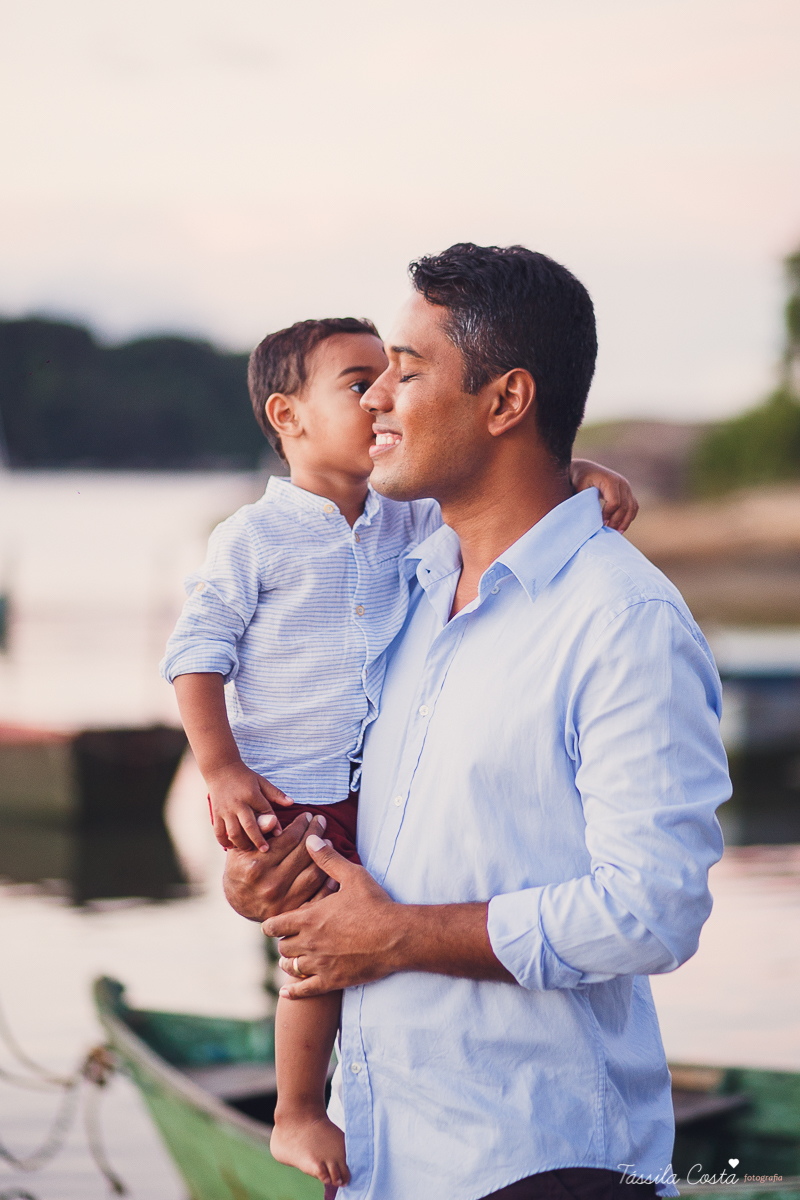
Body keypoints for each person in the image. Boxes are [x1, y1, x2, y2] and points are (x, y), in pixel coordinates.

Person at [222, 245, 732, 1200]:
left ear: (505, 403)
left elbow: (652, 909)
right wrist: (273, 875)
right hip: (386, 1154)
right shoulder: (403, 590)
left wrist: (402, 935)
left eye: (404, 374)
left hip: (543, 1163)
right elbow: (371, 834)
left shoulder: (622, 623)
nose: (375, 399)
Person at [160, 310, 640, 1191]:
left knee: (335, 943)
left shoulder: (404, 523)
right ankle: (297, 1110)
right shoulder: (251, 538)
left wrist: (576, 474)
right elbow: (194, 654)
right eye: (357, 384)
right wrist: (223, 771)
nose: (383, 397)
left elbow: (498, 487)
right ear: (287, 418)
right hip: (287, 789)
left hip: (369, 794)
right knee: (310, 957)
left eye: (397, 376)